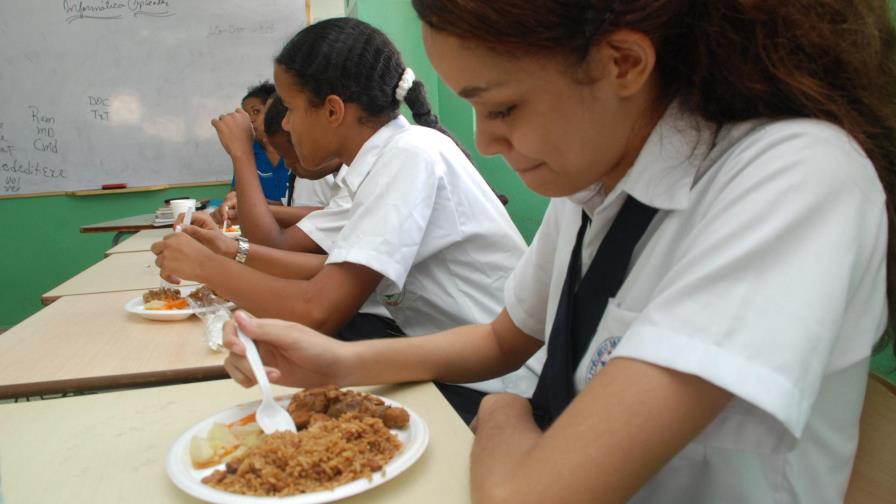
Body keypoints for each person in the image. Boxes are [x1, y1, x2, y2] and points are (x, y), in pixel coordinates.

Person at [217, 1, 895, 503]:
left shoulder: (792, 175)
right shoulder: (596, 175)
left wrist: (503, 413)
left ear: (622, 62)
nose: (483, 141)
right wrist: (337, 361)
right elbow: (504, 339)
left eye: (503, 108)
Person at [152, 17, 537, 421]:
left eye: (293, 109)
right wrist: (232, 252)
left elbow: (318, 308)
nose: (284, 124)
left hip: (498, 385)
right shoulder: (383, 160)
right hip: (458, 364)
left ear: (333, 110)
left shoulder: (409, 156)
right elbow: (330, 272)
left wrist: (208, 266)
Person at [231, 81, 290, 204]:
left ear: (274, 112)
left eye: (256, 112)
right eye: (246, 115)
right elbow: (237, 196)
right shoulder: (247, 153)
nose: (250, 120)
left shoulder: (295, 150)